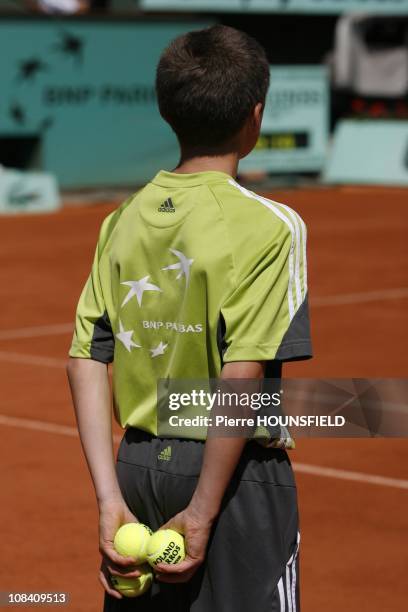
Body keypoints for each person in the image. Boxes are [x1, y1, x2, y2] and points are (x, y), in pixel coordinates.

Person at [67, 25, 312, 612]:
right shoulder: (273, 225)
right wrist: (201, 512)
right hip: (231, 479)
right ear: (255, 117)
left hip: (135, 469)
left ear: (167, 111)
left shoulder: (121, 218)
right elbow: (242, 375)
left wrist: (108, 499)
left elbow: (85, 357)